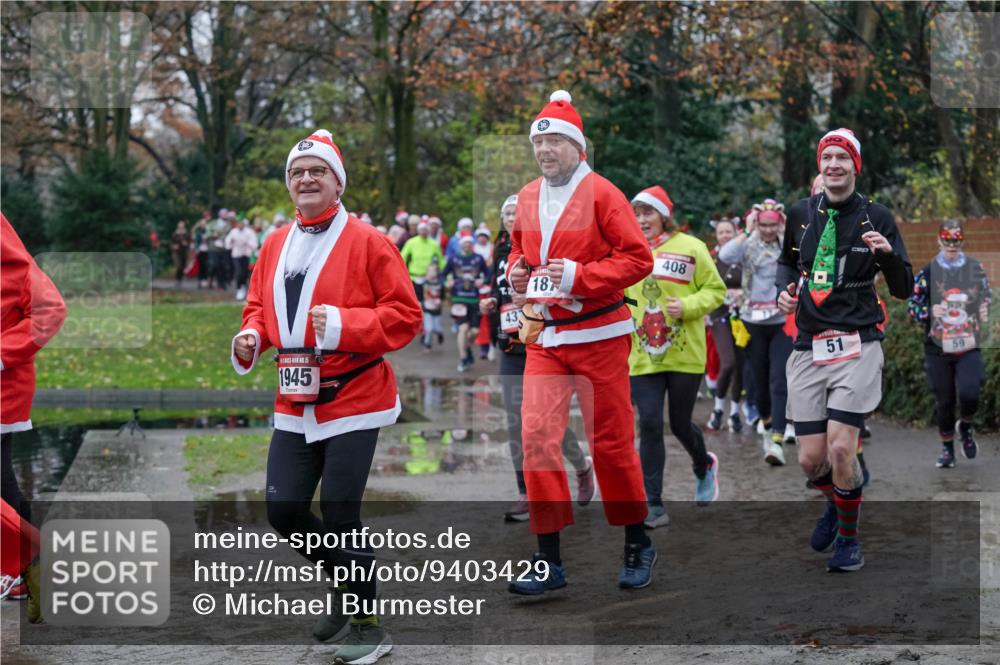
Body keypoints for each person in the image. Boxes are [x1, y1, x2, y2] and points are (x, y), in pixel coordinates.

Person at [231, 129, 421, 663]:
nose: (306, 179)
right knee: (283, 510)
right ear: (289, 185)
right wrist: (252, 336)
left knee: (341, 512)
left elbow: (406, 318)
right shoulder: (273, 244)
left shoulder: (369, 241)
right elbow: (258, 308)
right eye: (297, 172)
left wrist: (342, 325)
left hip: (356, 394)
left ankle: (368, 626)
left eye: (318, 171)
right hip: (293, 399)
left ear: (337, 183)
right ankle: (345, 582)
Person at [505, 90, 655, 594]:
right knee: (537, 440)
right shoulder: (526, 196)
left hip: (601, 335)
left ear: (578, 147)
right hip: (546, 336)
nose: (545, 150)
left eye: (554, 141)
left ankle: (637, 541)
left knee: (610, 443)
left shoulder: (604, 194)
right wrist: (518, 276)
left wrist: (577, 275)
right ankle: (548, 559)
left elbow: (637, 260)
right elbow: (518, 255)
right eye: (538, 142)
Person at [777, 128, 912, 572]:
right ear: (820, 165)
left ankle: (850, 541)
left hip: (858, 343)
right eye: (827, 157)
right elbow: (786, 263)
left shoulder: (877, 216)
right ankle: (840, 499)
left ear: (855, 165)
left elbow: (904, 288)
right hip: (809, 345)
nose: (834, 164)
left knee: (840, 449)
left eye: (842, 157)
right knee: (810, 458)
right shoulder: (800, 213)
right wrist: (785, 290)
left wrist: (889, 255)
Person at [480, 195, 596, 522]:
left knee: (545, 422)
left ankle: (581, 467)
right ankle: (525, 493)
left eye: (516, 212)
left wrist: (528, 296)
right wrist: (491, 302)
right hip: (509, 343)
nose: (509, 217)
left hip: (540, 341)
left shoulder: (538, 244)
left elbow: (556, 286)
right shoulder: (500, 249)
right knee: (516, 422)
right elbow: (498, 287)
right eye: (505, 213)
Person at [625, 186, 726, 528]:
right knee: (650, 422)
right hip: (641, 354)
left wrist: (687, 306)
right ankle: (653, 503)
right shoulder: (625, 250)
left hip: (685, 352)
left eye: (648, 213)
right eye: (636, 214)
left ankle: (703, 464)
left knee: (680, 423)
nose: (641, 221)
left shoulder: (692, 247)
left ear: (663, 216)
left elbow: (716, 291)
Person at [1, 213, 66, 620]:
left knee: (3, 484)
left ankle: (30, 564)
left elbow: (50, 312)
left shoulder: (17, 267)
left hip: (3, 391)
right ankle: (27, 565)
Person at [907, 219, 991, 468]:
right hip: (938, 348)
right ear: (939, 240)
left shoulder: (975, 269)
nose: (952, 245)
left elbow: (986, 298)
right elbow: (912, 308)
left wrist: (985, 309)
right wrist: (932, 311)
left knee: (970, 392)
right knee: (944, 400)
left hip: (967, 343)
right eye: (947, 241)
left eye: (956, 241)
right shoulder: (927, 273)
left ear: (962, 241)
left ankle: (965, 425)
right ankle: (947, 450)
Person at [718, 198, 794, 465]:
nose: (769, 230)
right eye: (764, 225)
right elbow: (725, 255)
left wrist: (786, 228)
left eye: (773, 225)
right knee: (759, 384)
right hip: (753, 321)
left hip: (781, 321)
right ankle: (767, 419)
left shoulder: (786, 244)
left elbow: (802, 252)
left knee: (778, 379)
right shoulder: (748, 244)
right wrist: (747, 231)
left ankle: (777, 439)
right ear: (757, 223)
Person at [706, 217, 747, 434]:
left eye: (728, 232)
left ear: (735, 233)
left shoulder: (743, 256)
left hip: (741, 317)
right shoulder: (712, 259)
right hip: (719, 315)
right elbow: (704, 285)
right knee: (728, 362)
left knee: (740, 366)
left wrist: (743, 294)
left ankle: (734, 413)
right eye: (721, 232)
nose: (725, 236)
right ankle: (718, 409)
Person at [442, 234, 488, 372]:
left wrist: (483, 281)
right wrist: (447, 282)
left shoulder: (478, 258)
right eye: (465, 243)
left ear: (472, 244)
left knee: (475, 331)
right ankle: (463, 358)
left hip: (474, 299)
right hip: (459, 299)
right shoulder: (454, 258)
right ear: (461, 244)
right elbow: (443, 274)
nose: (467, 245)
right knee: (463, 328)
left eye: (469, 243)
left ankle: (466, 350)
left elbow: (488, 274)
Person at [399, 219, 444, 302]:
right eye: (422, 229)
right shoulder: (411, 242)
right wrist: (401, 273)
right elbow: (402, 257)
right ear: (418, 230)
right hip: (414, 277)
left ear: (428, 230)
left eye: (425, 229)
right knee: (415, 302)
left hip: (429, 279)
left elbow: (441, 260)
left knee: (428, 304)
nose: (423, 231)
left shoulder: (434, 244)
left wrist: (443, 275)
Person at [225, 217, 259, 301]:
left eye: (241, 223)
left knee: (244, 273)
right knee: (239, 272)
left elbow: (255, 244)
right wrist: (231, 242)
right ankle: (239, 288)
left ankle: (243, 286)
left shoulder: (249, 232)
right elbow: (227, 243)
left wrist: (246, 242)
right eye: (238, 223)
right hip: (236, 255)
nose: (239, 225)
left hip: (246, 255)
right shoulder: (233, 232)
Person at [420, 262, 444, 352]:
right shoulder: (424, 283)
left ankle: (440, 333)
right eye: (429, 271)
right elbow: (420, 295)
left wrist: (441, 301)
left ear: (437, 273)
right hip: (427, 309)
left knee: (437, 328)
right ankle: (427, 345)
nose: (431, 273)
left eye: (433, 271)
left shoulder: (440, 284)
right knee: (429, 329)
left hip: (437, 309)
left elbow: (443, 295)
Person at [170, 221, 191, 286]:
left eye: (182, 226)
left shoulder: (187, 234)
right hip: (176, 252)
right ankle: (177, 279)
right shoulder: (175, 234)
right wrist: (173, 246)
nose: (181, 228)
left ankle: (180, 279)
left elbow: (190, 242)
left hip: (184, 252)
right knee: (178, 265)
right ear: (178, 227)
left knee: (183, 266)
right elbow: (171, 243)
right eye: (180, 226)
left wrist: (186, 244)